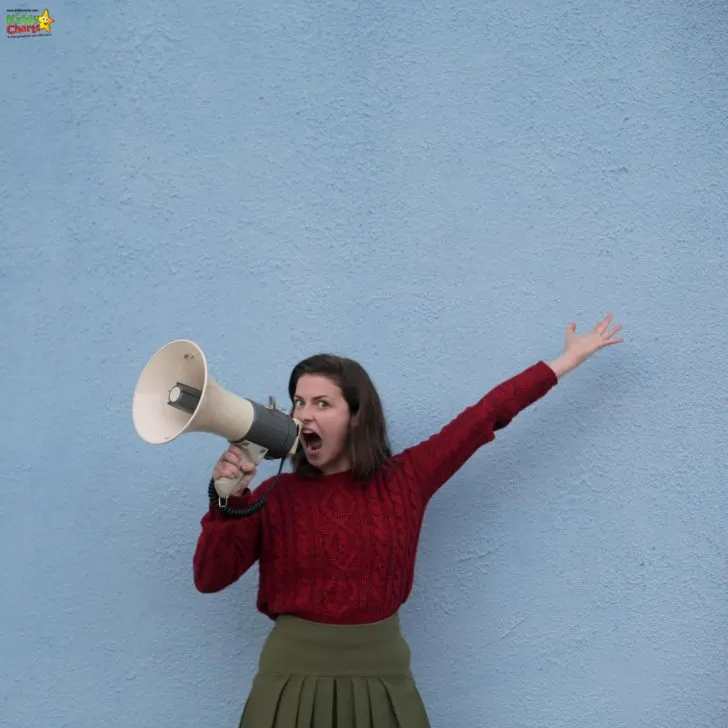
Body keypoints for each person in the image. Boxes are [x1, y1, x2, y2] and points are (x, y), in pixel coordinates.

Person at [192, 313, 624, 727]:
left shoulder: (406, 480)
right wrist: (227, 501)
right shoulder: (272, 496)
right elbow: (209, 579)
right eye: (299, 402)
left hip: (382, 679)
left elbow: (485, 416)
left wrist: (565, 361)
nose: (304, 414)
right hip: (288, 681)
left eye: (322, 403)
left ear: (356, 415)